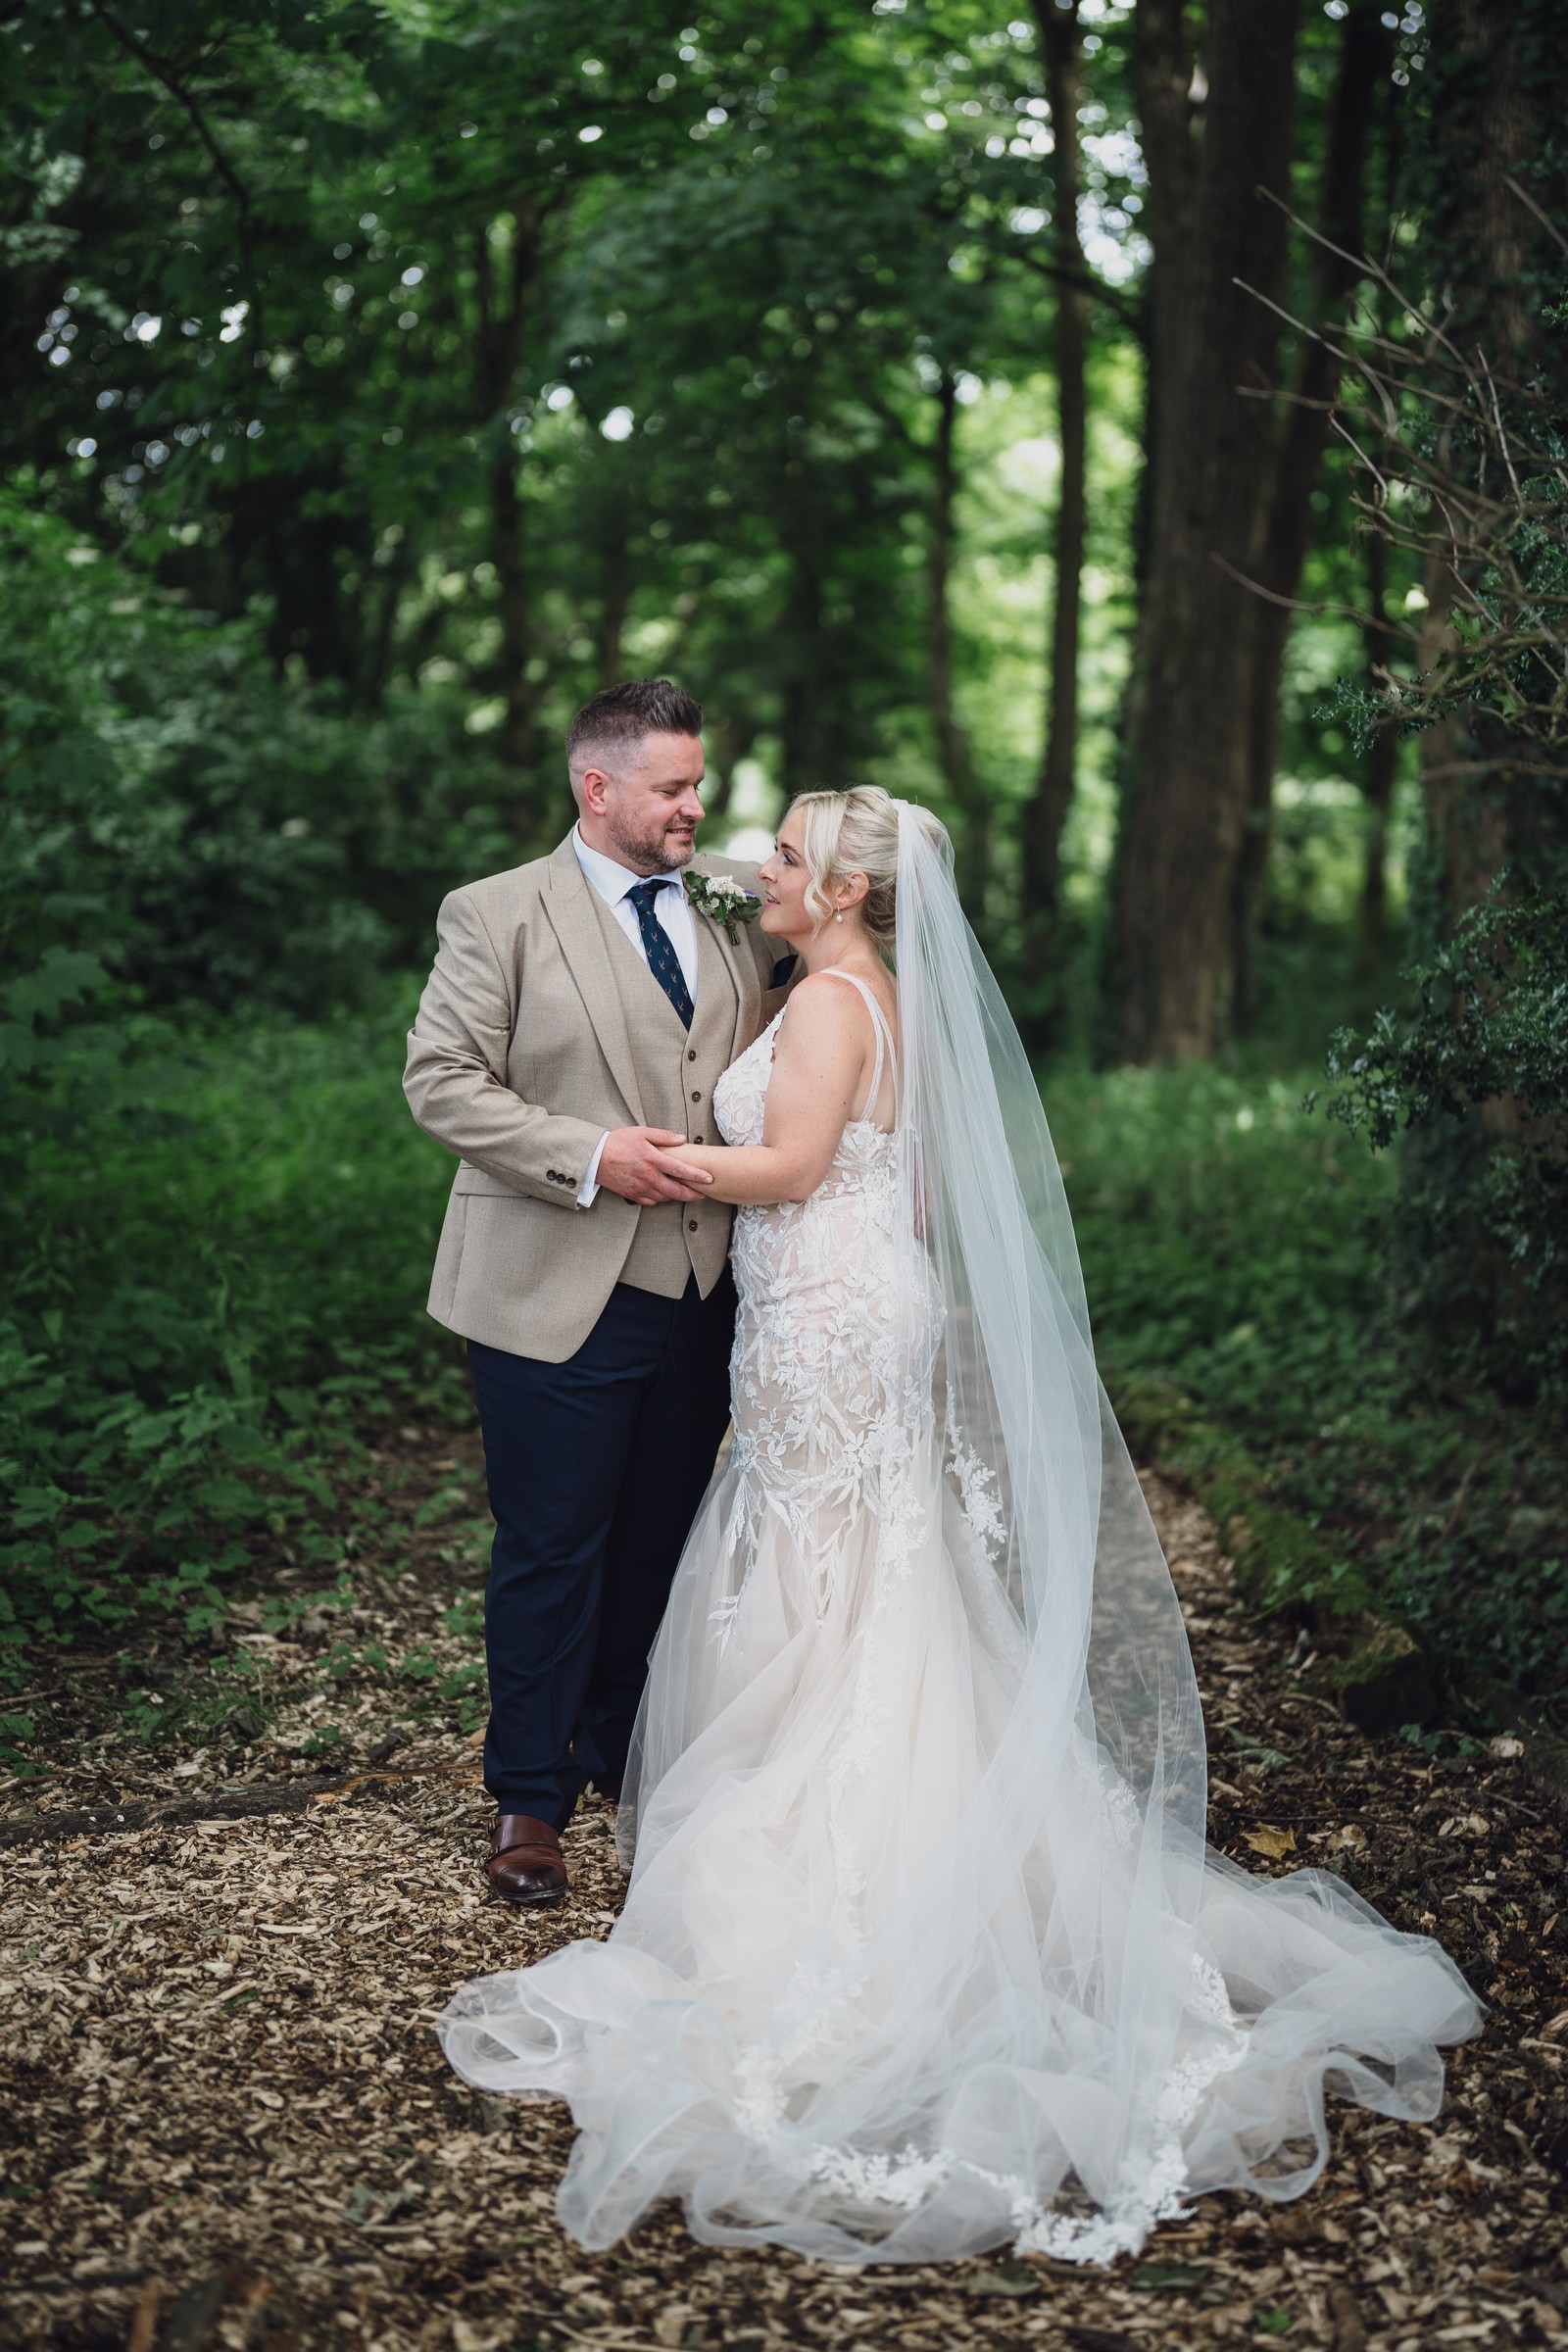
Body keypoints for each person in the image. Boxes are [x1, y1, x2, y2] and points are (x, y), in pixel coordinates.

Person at [438, 786, 1482, 2267]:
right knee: (872, 1562)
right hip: (844, 1301)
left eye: (788, 855)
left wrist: (640, 1156)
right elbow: (891, 1181)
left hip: (824, 1316)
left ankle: (840, 1846)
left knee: (825, 1551)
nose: (761, 868)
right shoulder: (874, 993)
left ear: (850, 890)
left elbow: (793, 1172)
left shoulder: (825, 1010)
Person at [403, 679, 790, 1906]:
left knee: (658, 1542)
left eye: (697, 783)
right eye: (673, 788)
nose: (696, 806)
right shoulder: (496, 913)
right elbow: (442, 1084)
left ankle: (620, 1753)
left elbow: (852, 943)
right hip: (549, 1285)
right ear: (597, 788)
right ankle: (528, 1796)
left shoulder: (733, 892)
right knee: (552, 1545)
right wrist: (588, 1156)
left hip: (705, 1281)